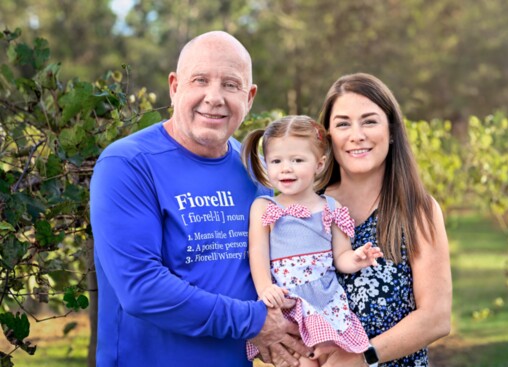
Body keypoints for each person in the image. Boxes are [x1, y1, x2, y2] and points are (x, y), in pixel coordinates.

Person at [90, 31, 312, 367]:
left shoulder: (259, 172)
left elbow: (278, 265)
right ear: (175, 86)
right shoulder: (128, 164)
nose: (214, 97)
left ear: (249, 97)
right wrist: (253, 321)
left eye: (230, 85)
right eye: (200, 80)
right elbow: (142, 289)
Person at [316, 73, 452, 367]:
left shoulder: (417, 210)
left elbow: (436, 317)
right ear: (328, 136)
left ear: (391, 131)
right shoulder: (306, 209)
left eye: (369, 121)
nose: (357, 135)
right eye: (342, 123)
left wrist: (363, 358)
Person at [241, 115, 384, 366]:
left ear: (319, 164)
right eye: (276, 161)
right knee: (301, 360)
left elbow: (341, 257)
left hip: (326, 301)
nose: (286, 168)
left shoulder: (331, 207)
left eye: (297, 160)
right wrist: (265, 289)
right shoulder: (265, 207)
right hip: (289, 302)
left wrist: (357, 258)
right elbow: (257, 253)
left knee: (333, 359)